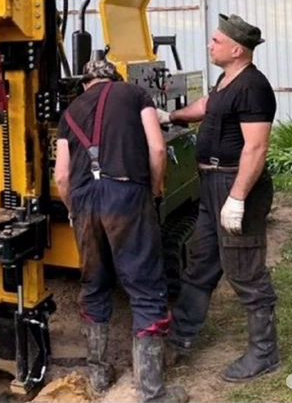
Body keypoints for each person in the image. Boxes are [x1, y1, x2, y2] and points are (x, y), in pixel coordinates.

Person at [54, 59, 187, 403]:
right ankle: (151, 391)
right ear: (114, 77)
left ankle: (98, 377)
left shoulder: (68, 114)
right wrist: (156, 186)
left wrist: (74, 211)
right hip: (127, 195)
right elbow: (158, 147)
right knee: (145, 286)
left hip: (84, 202)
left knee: (94, 285)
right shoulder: (135, 93)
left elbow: (62, 177)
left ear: (86, 84)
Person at [157, 13, 280, 382]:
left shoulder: (254, 87)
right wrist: (171, 116)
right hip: (211, 187)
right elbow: (206, 108)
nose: (210, 45)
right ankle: (180, 339)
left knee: (244, 270)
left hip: (234, 184)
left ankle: (265, 352)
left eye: (216, 41)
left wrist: (238, 198)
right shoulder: (227, 80)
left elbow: (256, 148)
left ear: (237, 49)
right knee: (200, 262)